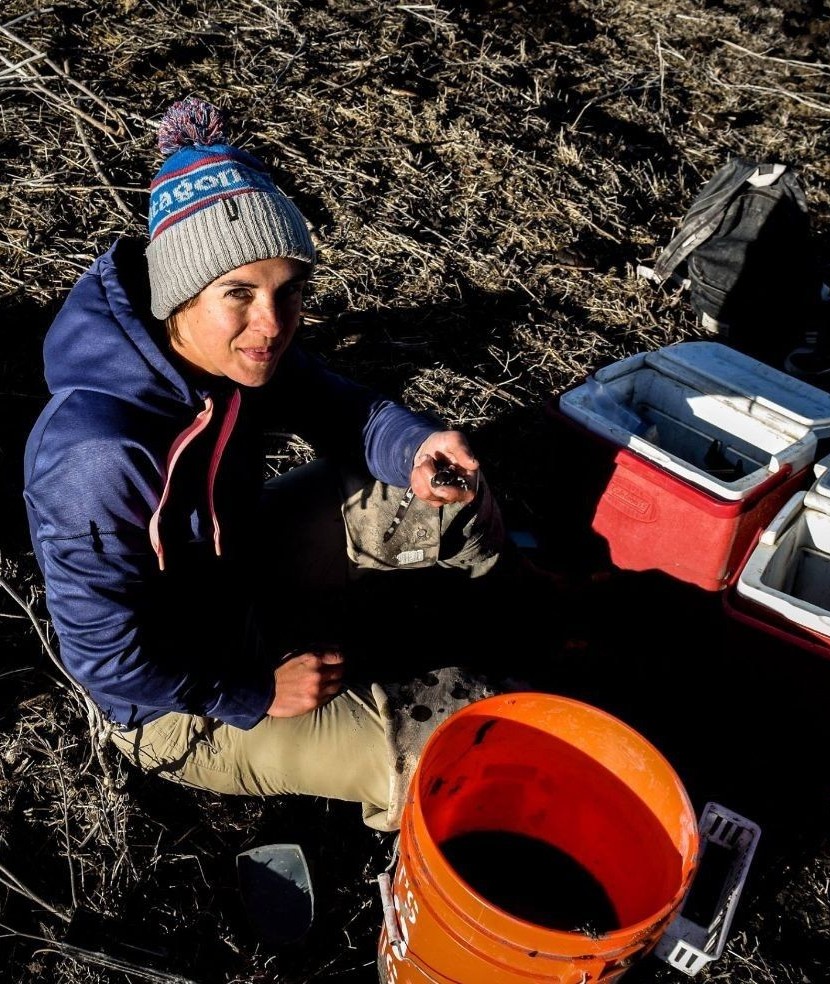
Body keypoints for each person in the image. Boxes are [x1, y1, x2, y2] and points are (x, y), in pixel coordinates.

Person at [22, 96, 507, 832]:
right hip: (179, 705)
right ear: (176, 294)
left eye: (289, 292)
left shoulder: (228, 354)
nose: (272, 326)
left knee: (443, 496)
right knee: (453, 759)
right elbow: (107, 660)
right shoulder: (96, 456)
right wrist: (252, 692)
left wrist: (414, 447)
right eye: (239, 295)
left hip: (237, 574)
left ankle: (525, 603)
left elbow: (334, 403)